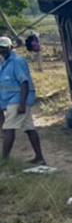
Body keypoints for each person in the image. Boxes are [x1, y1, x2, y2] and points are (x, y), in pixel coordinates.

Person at [0, 36, 45, 164]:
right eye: (0, 47)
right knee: (29, 129)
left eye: (4, 47)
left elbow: (24, 83)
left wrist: (22, 103)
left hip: (18, 99)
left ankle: (4, 161)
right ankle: (40, 158)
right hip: (11, 100)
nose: (1, 50)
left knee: (8, 129)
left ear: (10, 47)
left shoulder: (17, 61)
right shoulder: (4, 62)